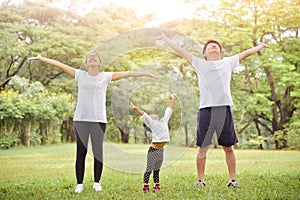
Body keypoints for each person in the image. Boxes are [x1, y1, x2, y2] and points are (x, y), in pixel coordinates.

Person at [28, 52, 157, 193]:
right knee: (81, 152)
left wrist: (146, 73)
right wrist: (41, 58)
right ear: (86, 63)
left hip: (99, 120)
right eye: (89, 57)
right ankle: (79, 184)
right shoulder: (80, 75)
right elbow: (59, 64)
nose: (92, 57)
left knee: (97, 152)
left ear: (99, 63)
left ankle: (97, 183)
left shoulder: (105, 76)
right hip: (81, 120)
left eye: (95, 57)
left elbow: (127, 73)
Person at [156, 33, 269, 188]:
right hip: (206, 110)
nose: (213, 46)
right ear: (205, 53)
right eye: (210, 45)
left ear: (220, 52)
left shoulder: (227, 63)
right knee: (203, 147)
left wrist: (260, 46)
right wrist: (165, 38)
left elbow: (246, 53)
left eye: (216, 45)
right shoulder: (199, 64)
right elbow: (180, 51)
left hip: (224, 109)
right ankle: (200, 180)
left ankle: (232, 180)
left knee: (228, 147)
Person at [129, 96, 175, 193]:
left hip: (161, 150)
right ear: (150, 120)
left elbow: (169, 110)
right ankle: (145, 185)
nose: (153, 114)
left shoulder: (164, 121)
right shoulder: (152, 123)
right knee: (149, 169)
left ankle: (156, 185)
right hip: (153, 150)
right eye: (151, 115)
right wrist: (136, 108)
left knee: (157, 169)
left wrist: (172, 100)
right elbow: (143, 114)